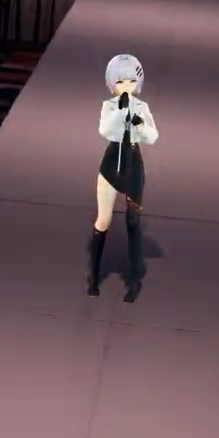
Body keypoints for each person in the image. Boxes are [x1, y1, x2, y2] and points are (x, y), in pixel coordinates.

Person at [90, 53, 158, 301]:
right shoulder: (109, 106)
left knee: (132, 223)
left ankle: (133, 282)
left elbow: (153, 137)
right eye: (120, 82)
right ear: (112, 84)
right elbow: (105, 130)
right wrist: (120, 112)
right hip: (110, 166)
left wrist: (139, 124)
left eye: (130, 81)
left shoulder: (142, 107)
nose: (126, 86)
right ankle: (93, 278)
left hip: (133, 167)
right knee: (103, 220)